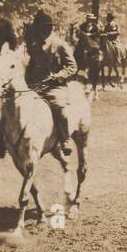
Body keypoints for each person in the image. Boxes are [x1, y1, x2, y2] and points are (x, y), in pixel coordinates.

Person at [24, 10, 78, 157]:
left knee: (59, 108)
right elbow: (31, 65)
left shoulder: (60, 45)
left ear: (52, 28)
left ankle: (65, 139)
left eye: (48, 27)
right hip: (35, 86)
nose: (45, 30)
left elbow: (72, 67)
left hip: (55, 87)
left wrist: (59, 75)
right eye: (42, 27)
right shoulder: (34, 45)